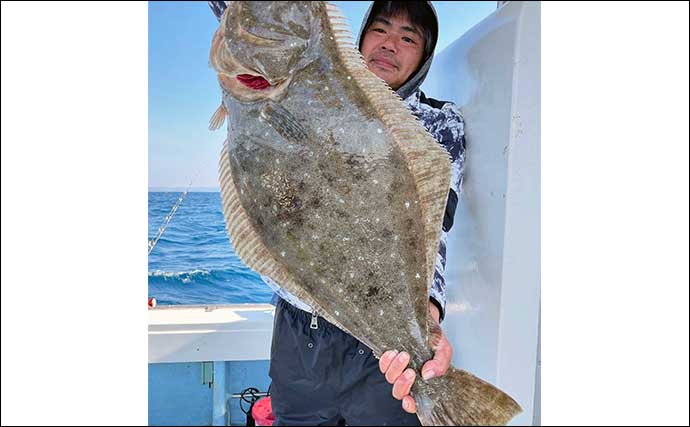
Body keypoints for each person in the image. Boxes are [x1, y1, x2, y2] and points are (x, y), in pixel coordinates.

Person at [211, 1, 466, 425]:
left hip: (379, 352)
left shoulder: (439, 123)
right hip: (300, 336)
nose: (389, 44)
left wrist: (427, 317)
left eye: (408, 38)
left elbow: (432, 229)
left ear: (424, 55)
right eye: (380, 29)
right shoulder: (305, 81)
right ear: (359, 36)